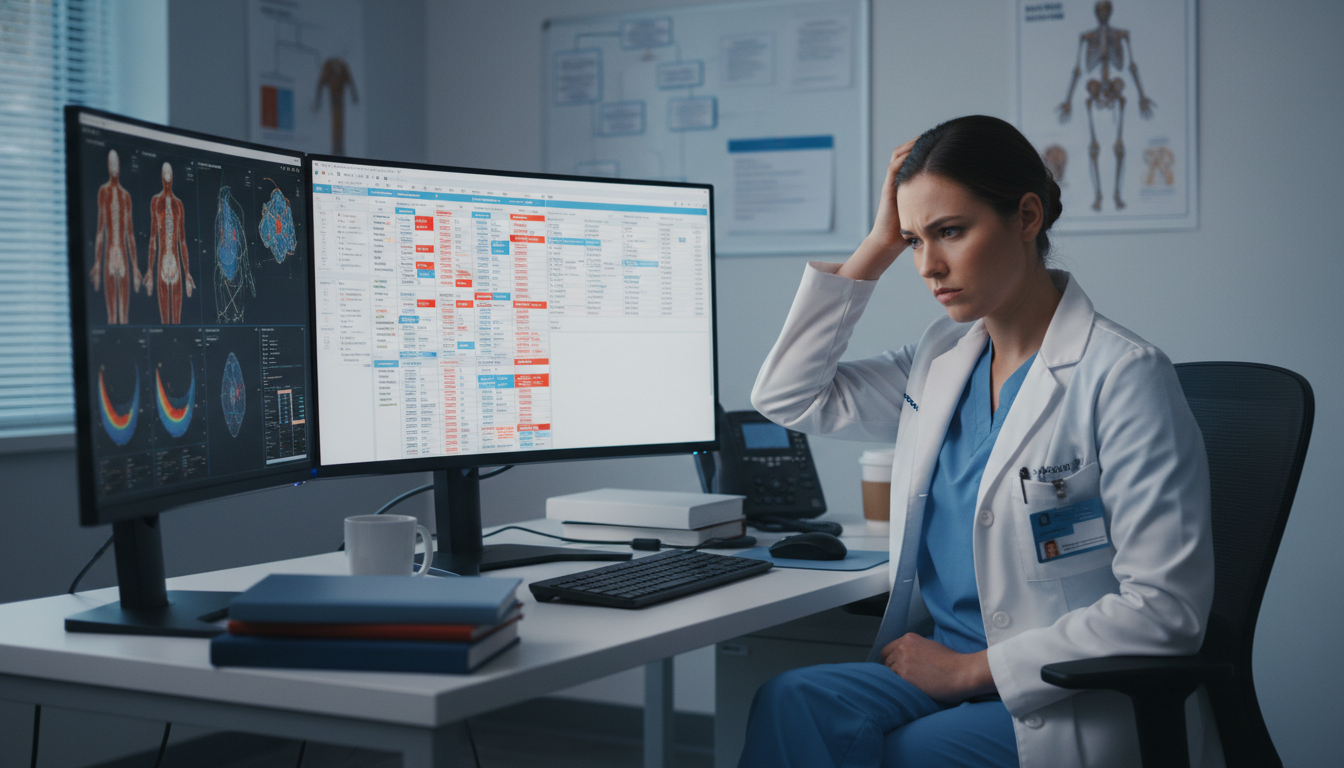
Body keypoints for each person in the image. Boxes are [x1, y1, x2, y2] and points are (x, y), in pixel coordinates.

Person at [743, 115, 1221, 768]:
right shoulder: (943, 358)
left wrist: (972, 671)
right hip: (935, 670)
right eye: (913, 240)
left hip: (1058, 694)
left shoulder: (1123, 375)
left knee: (901, 754)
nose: (927, 265)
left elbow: (1165, 610)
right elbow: (789, 396)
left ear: (1027, 218)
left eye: (950, 231)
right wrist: (875, 247)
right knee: (789, 700)